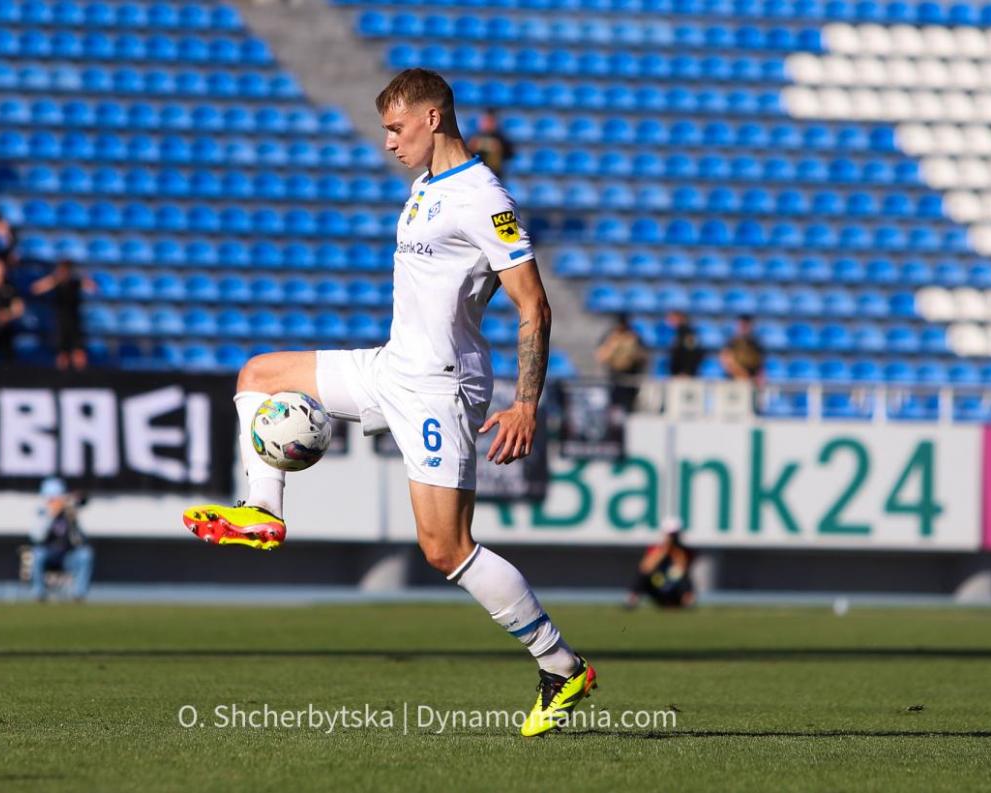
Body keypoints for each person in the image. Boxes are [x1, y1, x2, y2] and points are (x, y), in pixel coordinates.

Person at [182, 69, 595, 737]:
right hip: (392, 365)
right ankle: (263, 510)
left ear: (433, 119)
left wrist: (526, 403)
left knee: (445, 548)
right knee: (259, 374)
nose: (388, 142)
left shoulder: (483, 198)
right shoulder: (424, 186)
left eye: (396, 129)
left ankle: (561, 664)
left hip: (439, 383)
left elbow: (534, 305)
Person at [29, 478, 94, 602]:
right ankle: (38, 593)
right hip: (49, 555)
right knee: (37, 554)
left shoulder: (69, 512)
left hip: (67, 556)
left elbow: (82, 538)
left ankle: (79, 594)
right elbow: (36, 537)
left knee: (85, 555)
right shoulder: (41, 512)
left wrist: (73, 516)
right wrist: (50, 515)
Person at [30, 259, 96, 370]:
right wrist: (53, 280)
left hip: (74, 323)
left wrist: (83, 277)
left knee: (78, 352)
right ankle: (61, 377)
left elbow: (92, 288)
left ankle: (81, 376)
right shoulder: (54, 283)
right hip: (59, 324)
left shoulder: (75, 282)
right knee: (61, 354)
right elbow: (35, 289)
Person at [626, 518, 696, 609]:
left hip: (674, 588)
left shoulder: (684, 551)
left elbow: (682, 567)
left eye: (674, 535)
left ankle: (687, 601)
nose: (673, 538)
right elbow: (646, 567)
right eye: (670, 535)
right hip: (657, 584)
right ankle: (632, 600)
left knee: (682, 576)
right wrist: (664, 549)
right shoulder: (655, 548)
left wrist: (675, 550)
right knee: (643, 574)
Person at [596, 313, 648, 413]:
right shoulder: (610, 337)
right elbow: (601, 355)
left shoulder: (634, 337)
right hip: (615, 374)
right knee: (614, 404)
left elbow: (643, 356)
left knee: (629, 403)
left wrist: (633, 354)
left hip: (630, 374)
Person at [468, 108, 515, 178]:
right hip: (477, 175)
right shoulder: (473, 138)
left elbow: (510, 155)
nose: (487, 124)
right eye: (485, 121)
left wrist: (500, 149)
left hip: (495, 175)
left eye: (490, 121)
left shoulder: (501, 139)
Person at [721, 314, 764, 382]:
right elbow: (726, 362)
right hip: (733, 381)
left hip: (751, 381)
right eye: (741, 325)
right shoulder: (730, 343)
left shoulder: (755, 345)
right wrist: (742, 374)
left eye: (745, 326)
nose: (743, 328)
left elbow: (760, 366)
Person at [667, 310, 704, 377]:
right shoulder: (678, 332)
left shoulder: (687, 333)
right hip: (678, 373)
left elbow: (693, 353)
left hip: (685, 374)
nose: (669, 321)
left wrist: (687, 371)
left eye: (673, 318)